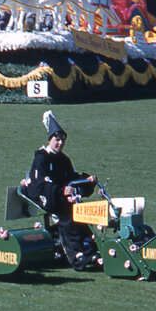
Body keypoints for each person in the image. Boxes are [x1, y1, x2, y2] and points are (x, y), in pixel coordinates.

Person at [21, 111, 101, 270]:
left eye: (62, 141)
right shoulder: (41, 159)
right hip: (46, 198)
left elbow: (72, 177)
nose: (60, 144)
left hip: (62, 197)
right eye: (56, 140)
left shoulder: (64, 159)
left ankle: (90, 246)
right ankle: (77, 256)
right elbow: (39, 186)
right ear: (49, 140)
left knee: (82, 210)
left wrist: (87, 181)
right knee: (68, 216)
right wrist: (61, 192)